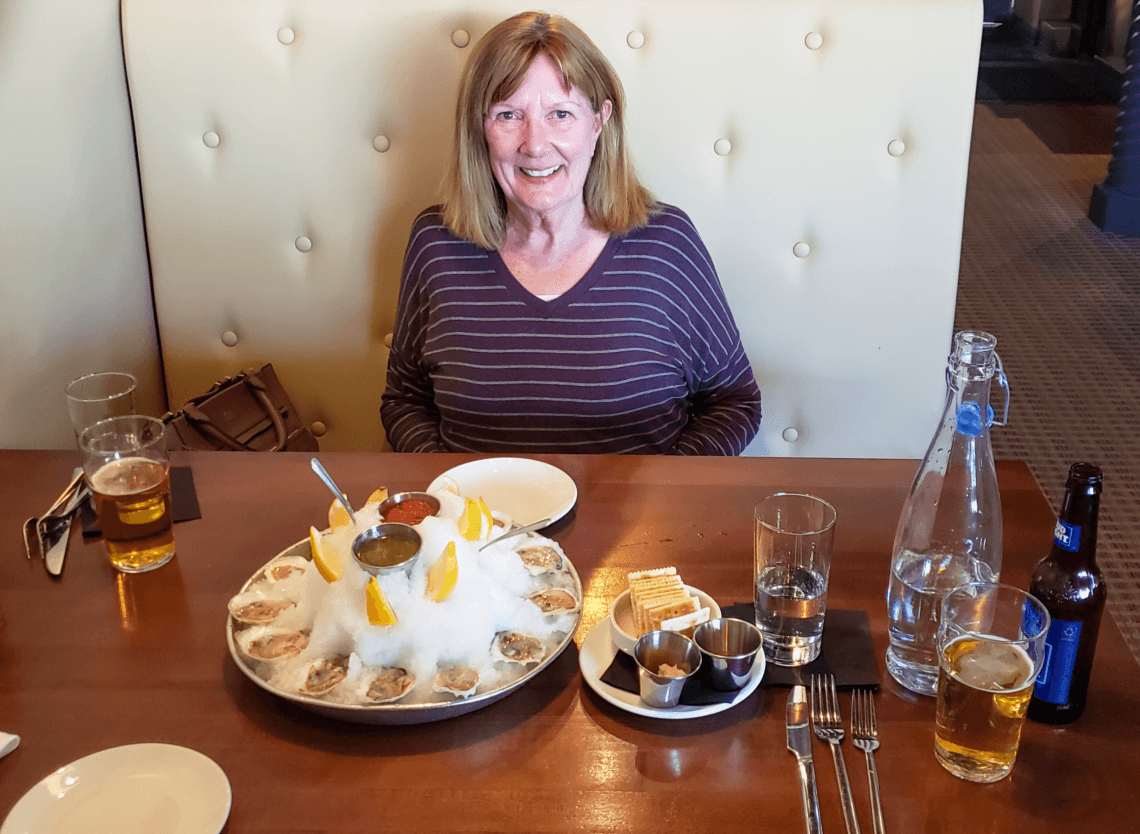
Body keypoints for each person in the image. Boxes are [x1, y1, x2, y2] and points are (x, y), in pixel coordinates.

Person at [381, 12, 761, 454]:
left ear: (599, 121)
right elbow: (404, 401)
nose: (535, 144)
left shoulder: (666, 244)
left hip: (639, 522)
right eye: (508, 115)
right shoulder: (436, 243)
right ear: (478, 129)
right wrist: (448, 498)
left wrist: (667, 487)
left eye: (560, 114)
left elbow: (735, 402)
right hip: (479, 522)